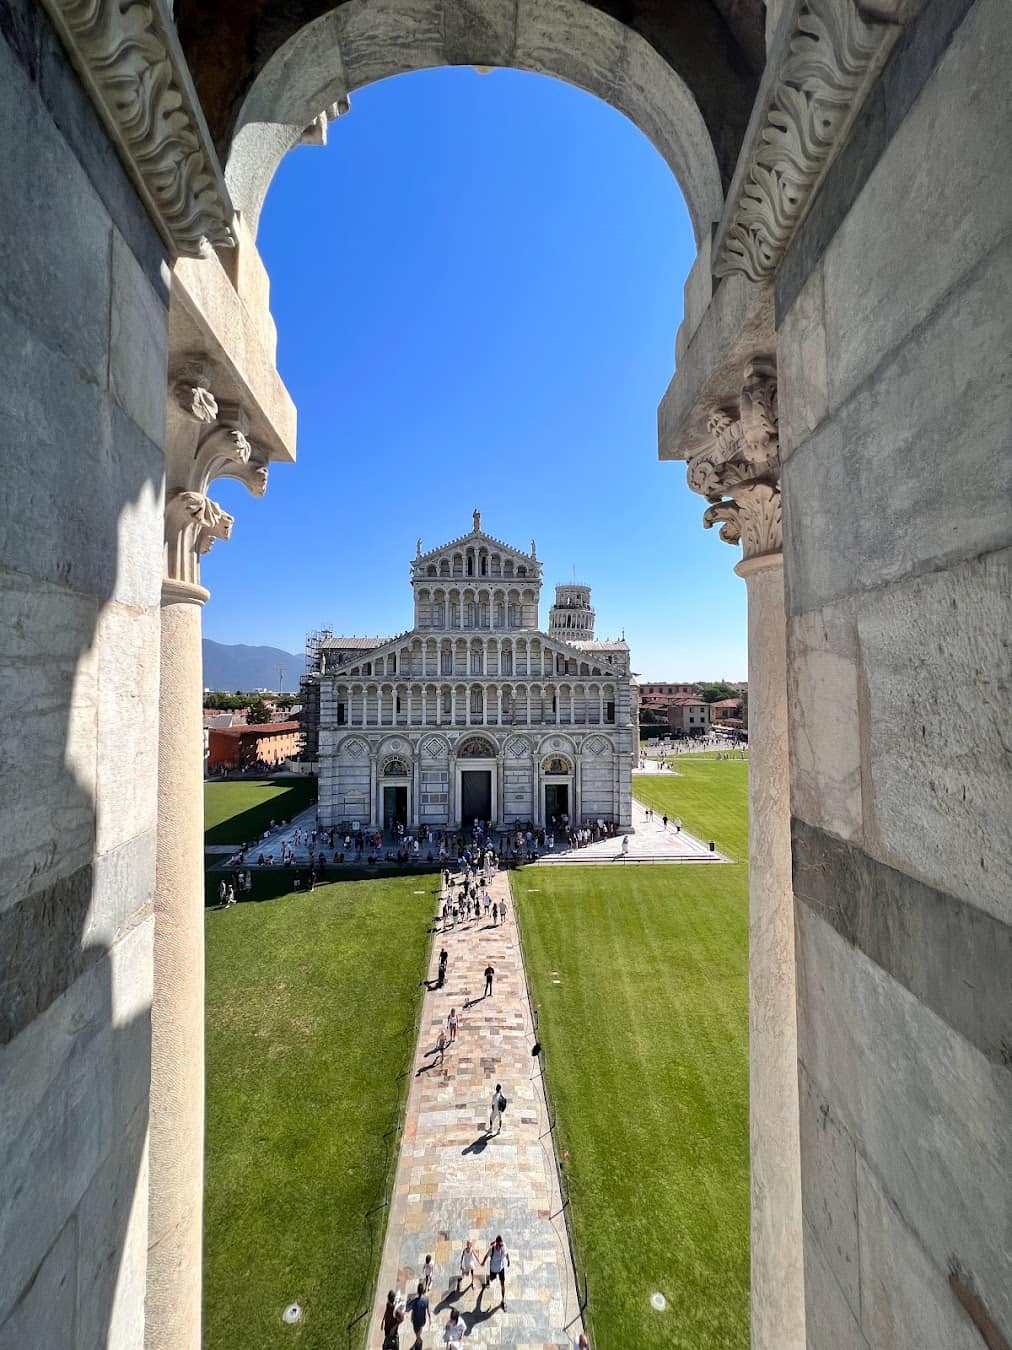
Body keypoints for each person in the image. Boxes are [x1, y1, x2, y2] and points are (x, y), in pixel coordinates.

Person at [481, 1234, 510, 1310]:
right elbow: (486, 1256)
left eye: (501, 1245)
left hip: (501, 1269)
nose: (501, 1246)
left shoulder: (503, 1247)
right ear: (496, 1243)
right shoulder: (492, 1250)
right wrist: (483, 1262)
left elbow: (507, 1253)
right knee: (491, 1279)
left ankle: (503, 1300)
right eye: (500, 1245)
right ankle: (488, 1279)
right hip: (493, 1269)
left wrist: (508, 1260)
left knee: (502, 1284)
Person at [408, 1280, 429, 1347]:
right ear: (423, 1291)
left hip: (416, 1320)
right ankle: (418, 1338)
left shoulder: (414, 1301)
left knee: (416, 1331)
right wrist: (430, 1317)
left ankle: (419, 1340)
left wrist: (411, 1317)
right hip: (423, 1319)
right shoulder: (426, 1299)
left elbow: (411, 1309)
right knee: (420, 1328)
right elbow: (428, 1309)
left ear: (417, 1291)